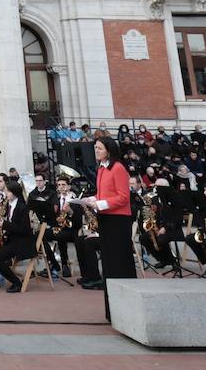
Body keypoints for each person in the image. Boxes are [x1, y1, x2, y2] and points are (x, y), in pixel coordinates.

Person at [85, 135, 135, 321]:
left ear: (109, 150)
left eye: (99, 148)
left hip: (118, 220)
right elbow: (103, 193)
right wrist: (92, 199)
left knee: (118, 263)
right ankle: (112, 312)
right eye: (95, 148)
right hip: (105, 218)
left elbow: (123, 197)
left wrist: (101, 203)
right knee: (108, 264)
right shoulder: (101, 169)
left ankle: (126, 310)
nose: (96, 151)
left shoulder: (118, 168)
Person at [0, 178, 35, 292]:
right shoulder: (9, 205)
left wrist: (5, 225)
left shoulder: (22, 207)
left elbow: (25, 230)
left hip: (22, 242)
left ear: (14, 193)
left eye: (7, 192)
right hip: (12, 239)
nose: (5, 194)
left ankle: (16, 283)